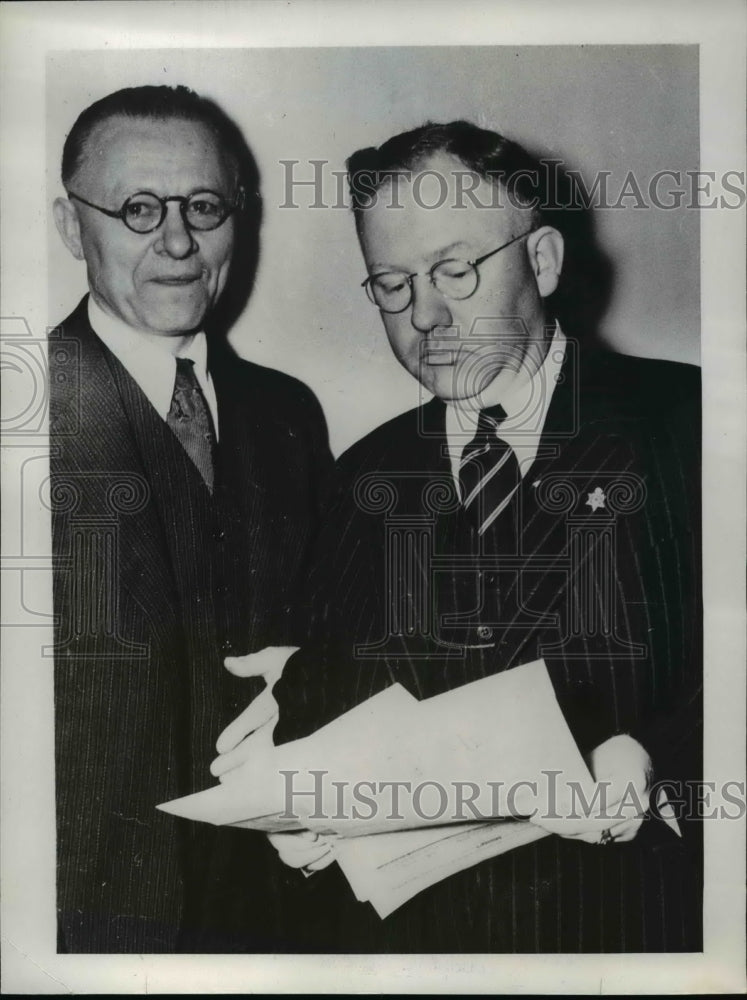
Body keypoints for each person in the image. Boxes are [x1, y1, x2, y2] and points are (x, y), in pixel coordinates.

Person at [217, 121, 702, 952]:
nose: (426, 314)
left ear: (542, 262)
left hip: (629, 936)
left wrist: (662, 766)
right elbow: (321, 695)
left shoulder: (691, 426)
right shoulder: (361, 475)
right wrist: (291, 799)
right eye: (392, 284)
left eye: (453, 269)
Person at [48, 85, 333, 953]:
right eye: (138, 208)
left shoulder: (288, 413)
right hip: (82, 923)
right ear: (72, 227)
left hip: (281, 914)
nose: (177, 241)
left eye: (203, 206)